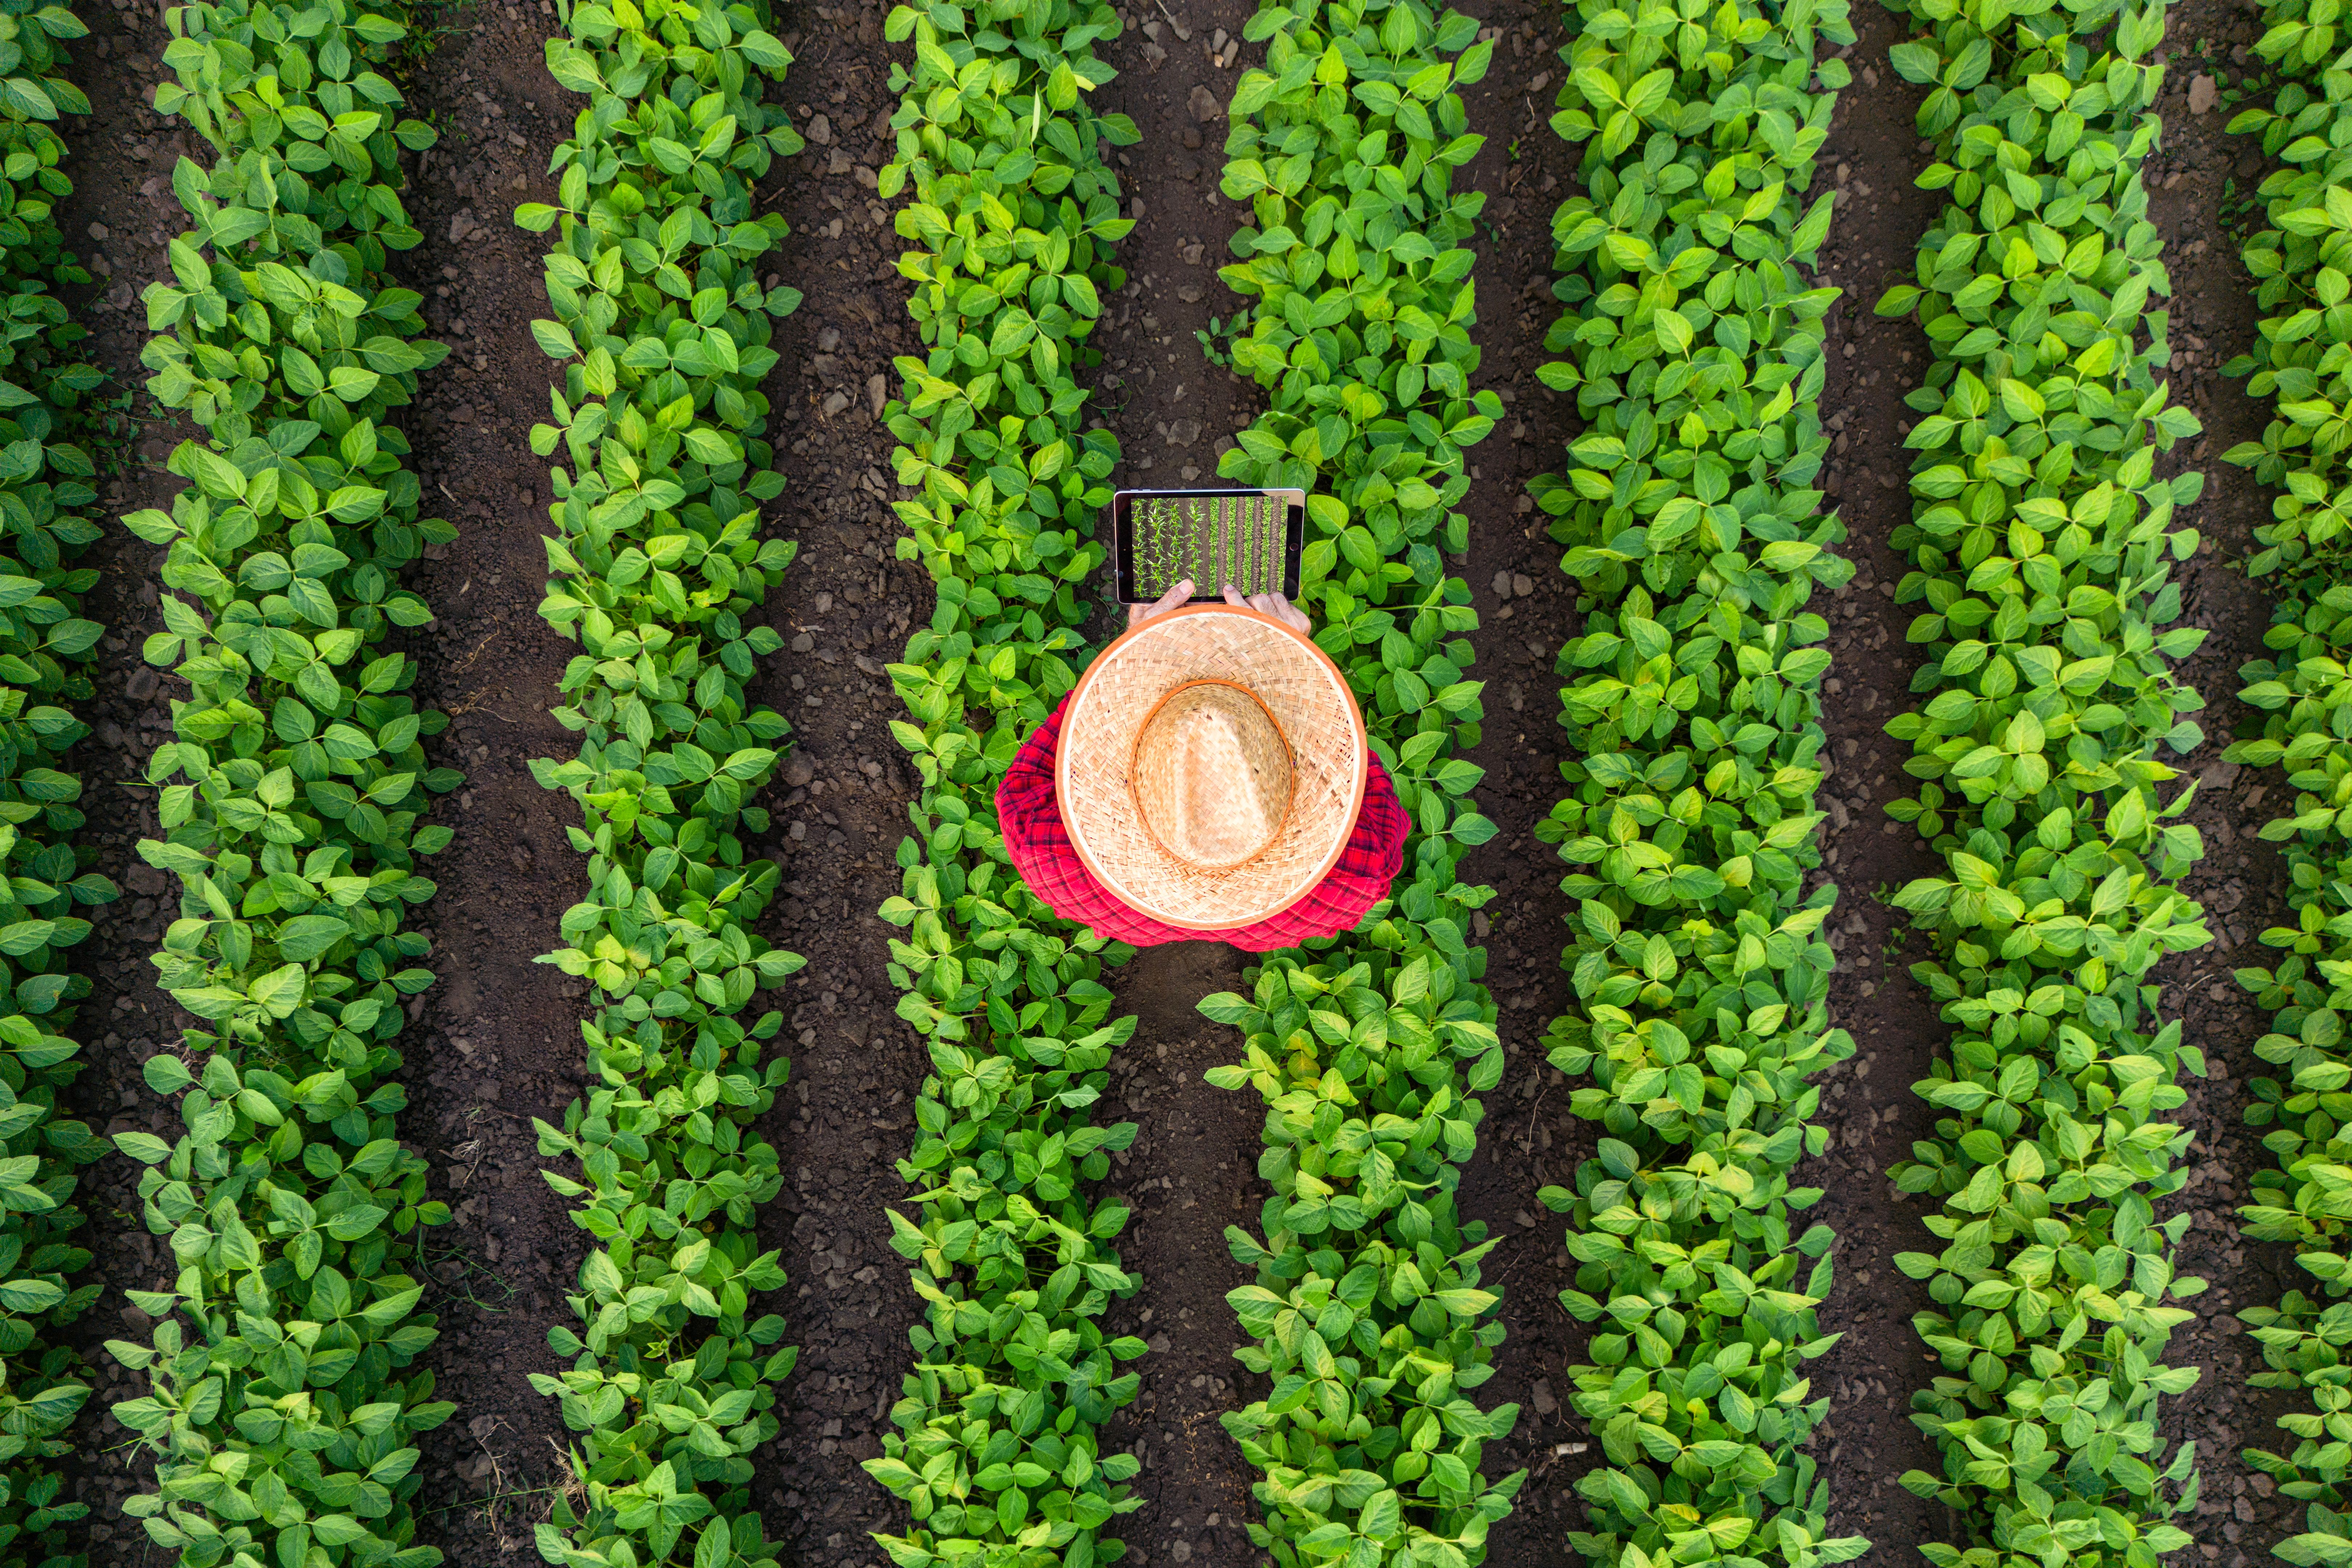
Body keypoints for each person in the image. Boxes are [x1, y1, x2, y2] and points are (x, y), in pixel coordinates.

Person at [993, 578, 1408, 952]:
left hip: (1129, 921)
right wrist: (1300, 655)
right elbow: (1364, 781)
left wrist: (1129, 656)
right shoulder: (1358, 875)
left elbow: (1023, 785)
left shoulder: (1047, 853)